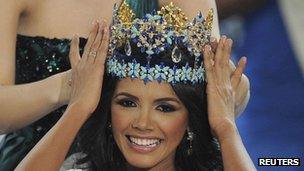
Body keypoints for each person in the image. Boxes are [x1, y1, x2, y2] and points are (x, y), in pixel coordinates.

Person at [0, 0, 249, 170]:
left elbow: (226, 92)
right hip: (37, 156)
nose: (142, 121)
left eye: (164, 108)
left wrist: (225, 127)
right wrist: (71, 89)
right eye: (127, 102)